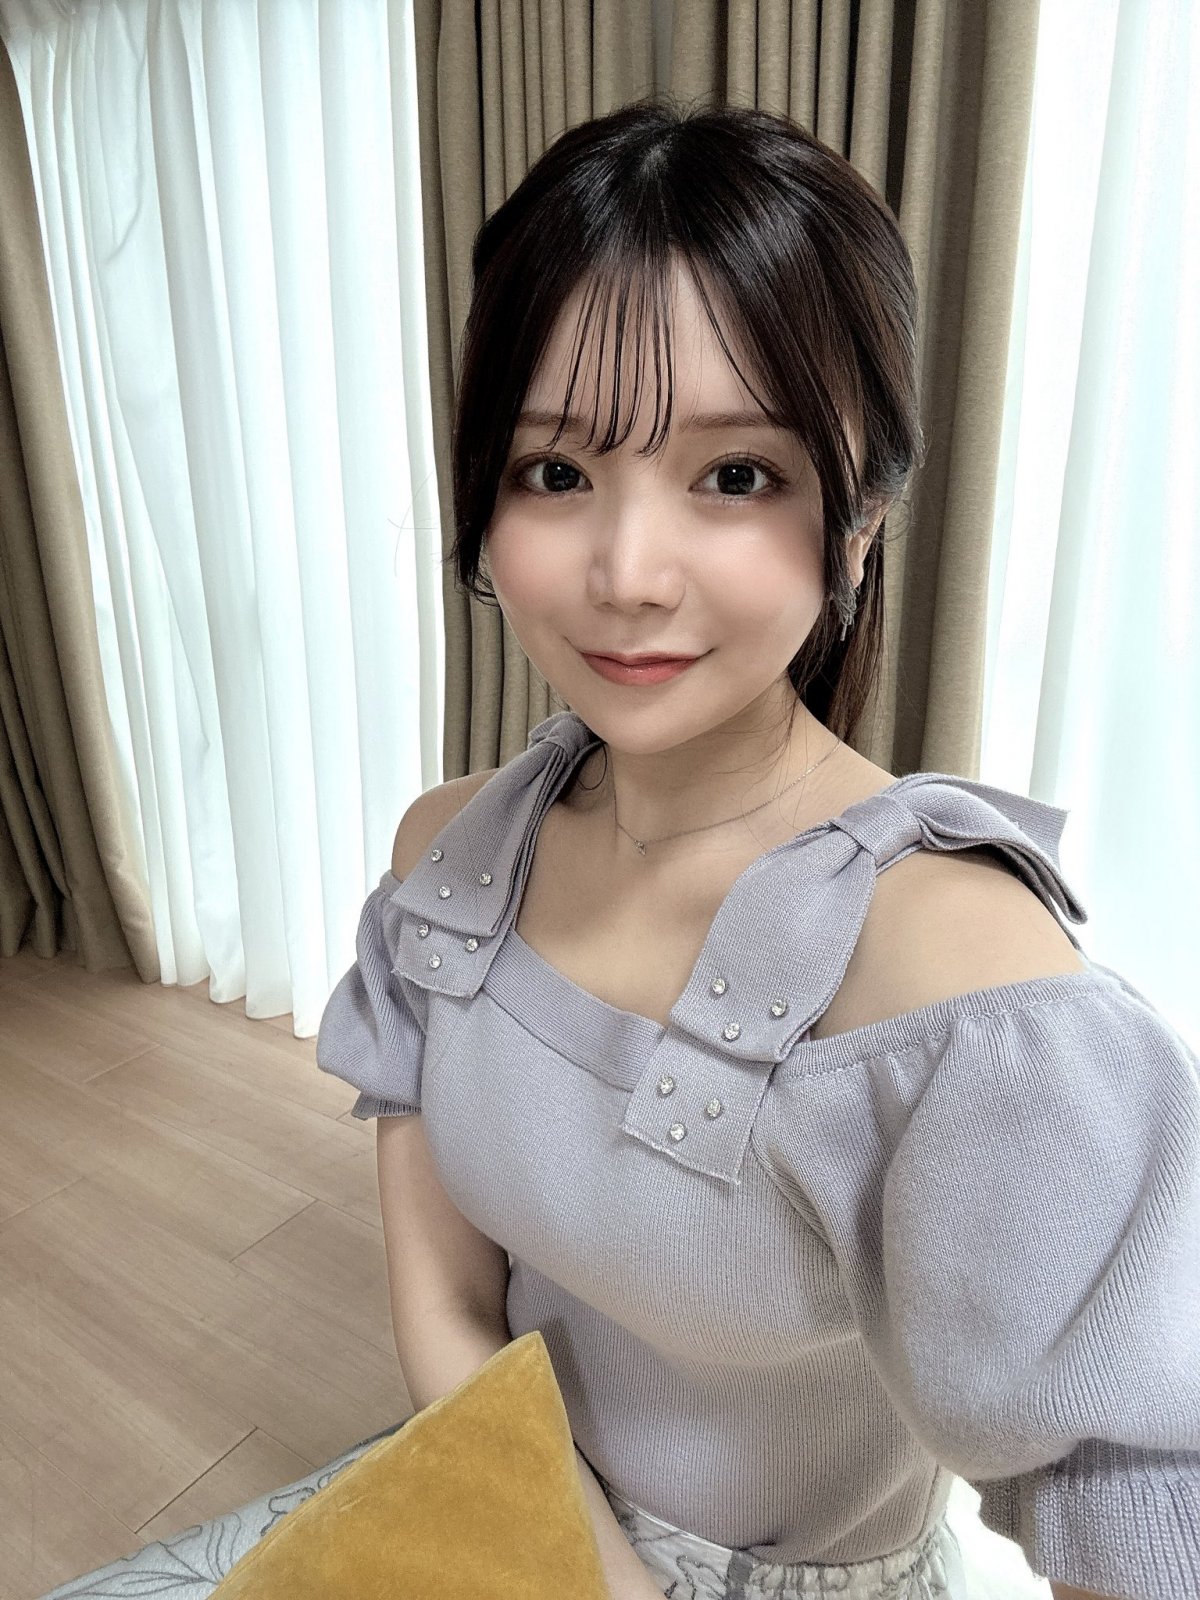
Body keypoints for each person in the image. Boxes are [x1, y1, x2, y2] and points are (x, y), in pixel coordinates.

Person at [316, 99, 1200, 1600]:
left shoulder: (959, 978)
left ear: (857, 523)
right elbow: (452, 1307)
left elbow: (1140, 1513)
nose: (626, 574)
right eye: (554, 473)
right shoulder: (448, 860)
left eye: (736, 477)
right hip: (509, 1509)